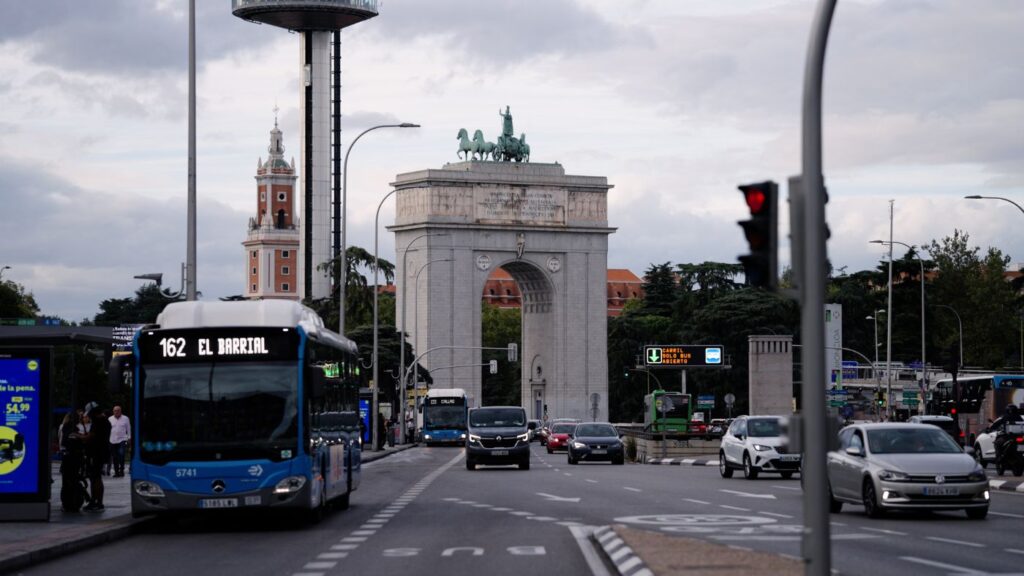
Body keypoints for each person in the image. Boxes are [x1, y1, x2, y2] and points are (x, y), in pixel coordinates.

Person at [82, 404, 111, 511]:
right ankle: (99, 501)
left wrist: (80, 436)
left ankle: (95, 501)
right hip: (102, 452)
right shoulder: (106, 421)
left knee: (95, 477)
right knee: (97, 476)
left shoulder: (98, 422)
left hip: (96, 452)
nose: (89, 416)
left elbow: (91, 436)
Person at [59, 411, 88, 512]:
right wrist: (80, 436)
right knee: (68, 480)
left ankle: (70, 501)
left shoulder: (74, 427)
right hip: (70, 458)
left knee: (71, 479)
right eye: (79, 417)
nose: (81, 419)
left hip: (74, 458)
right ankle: (68, 502)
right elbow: (69, 438)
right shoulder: (68, 427)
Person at [108, 404, 130, 477]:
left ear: (121, 411)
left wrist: (129, 438)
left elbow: (128, 429)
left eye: (118, 410)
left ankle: (121, 471)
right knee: (114, 457)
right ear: (113, 411)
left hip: (122, 439)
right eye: (115, 410)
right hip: (112, 440)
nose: (116, 412)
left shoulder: (125, 418)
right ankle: (116, 472)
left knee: (121, 455)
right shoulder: (110, 419)